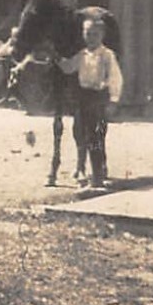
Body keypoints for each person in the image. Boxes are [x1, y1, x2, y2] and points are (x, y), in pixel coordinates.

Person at [56, 17, 124, 188]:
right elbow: (69, 67)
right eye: (87, 34)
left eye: (94, 34)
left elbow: (115, 78)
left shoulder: (107, 55)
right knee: (79, 132)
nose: (90, 37)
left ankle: (98, 175)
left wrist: (113, 101)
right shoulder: (82, 54)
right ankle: (83, 168)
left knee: (96, 136)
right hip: (83, 97)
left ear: (102, 35)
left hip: (99, 97)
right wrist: (55, 57)